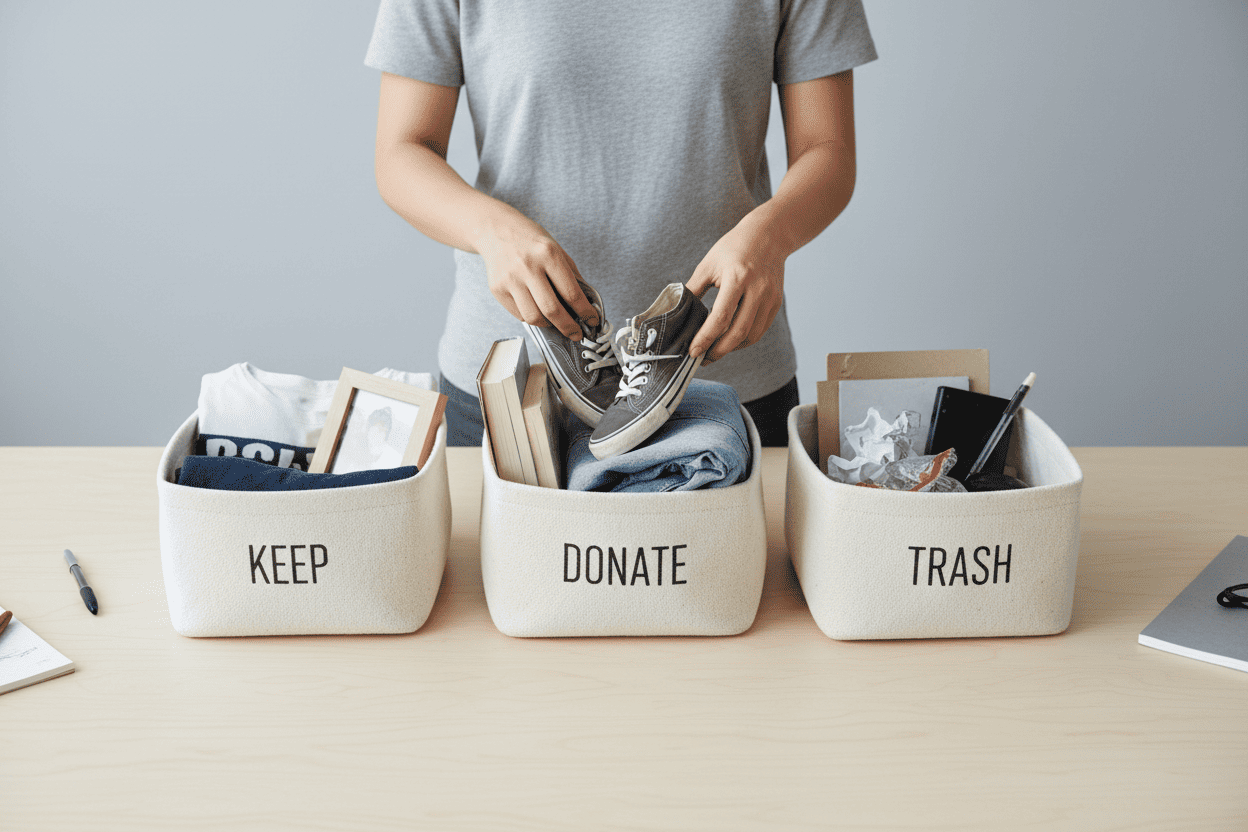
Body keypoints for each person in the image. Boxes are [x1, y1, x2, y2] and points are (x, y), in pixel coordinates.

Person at [365, 0, 876, 447]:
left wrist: (771, 235)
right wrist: (491, 230)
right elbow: (402, 150)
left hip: (725, 379)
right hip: (516, 386)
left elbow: (826, 148)